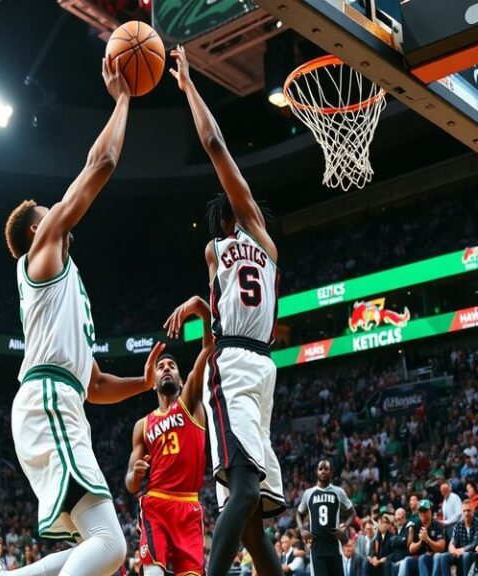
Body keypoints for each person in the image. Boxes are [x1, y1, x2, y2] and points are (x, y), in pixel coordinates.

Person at [0, 56, 162, 576]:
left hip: (62, 400)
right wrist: (123, 98)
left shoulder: (66, 282)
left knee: (98, 541)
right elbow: (100, 166)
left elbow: (96, 382)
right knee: (111, 545)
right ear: (38, 232)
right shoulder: (39, 257)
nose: (57, 212)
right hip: (47, 401)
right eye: (49, 213)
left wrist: (143, 384)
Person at [170, 43, 286, 576]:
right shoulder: (219, 248)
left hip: (261, 370)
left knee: (256, 518)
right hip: (234, 363)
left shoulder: (263, 242)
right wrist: (190, 85)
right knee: (242, 493)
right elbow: (214, 143)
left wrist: (199, 303)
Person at [125, 295, 213, 576]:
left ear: (182, 379)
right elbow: (129, 483)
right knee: (153, 573)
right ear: (153, 385)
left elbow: (210, 345)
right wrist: (136, 475)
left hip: (188, 505)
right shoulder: (142, 424)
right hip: (156, 503)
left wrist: (201, 308)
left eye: (171, 366)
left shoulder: (190, 402)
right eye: (160, 366)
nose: (165, 369)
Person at [297, 460, 355, 576]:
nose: (323, 471)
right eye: (320, 469)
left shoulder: (338, 492)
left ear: (331, 472)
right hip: (317, 546)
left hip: (334, 545)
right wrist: (302, 529)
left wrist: (344, 528)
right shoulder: (309, 493)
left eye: (326, 469)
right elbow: (299, 514)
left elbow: (352, 513)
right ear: (316, 472)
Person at [433, 499, 478, 576]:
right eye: (464, 511)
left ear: (473, 510)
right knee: (443, 557)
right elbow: (453, 541)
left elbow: (475, 543)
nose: (466, 513)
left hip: (473, 554)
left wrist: (463, 550)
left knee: (466, 555)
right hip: (459, 553)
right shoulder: (458, 525)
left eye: (468, 510)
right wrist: (452, 548)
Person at [405, 499, 445, 576]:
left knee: (437, 556)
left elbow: (441, 548)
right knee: (407, 560)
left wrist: (427, 539)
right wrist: (420, 541)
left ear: (430, 512)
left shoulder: (438, 525)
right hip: (421, 557)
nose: (422, 514)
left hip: (435, 556)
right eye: (420, 511)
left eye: (425, 511)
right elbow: (411, 549)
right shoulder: (416, 526)